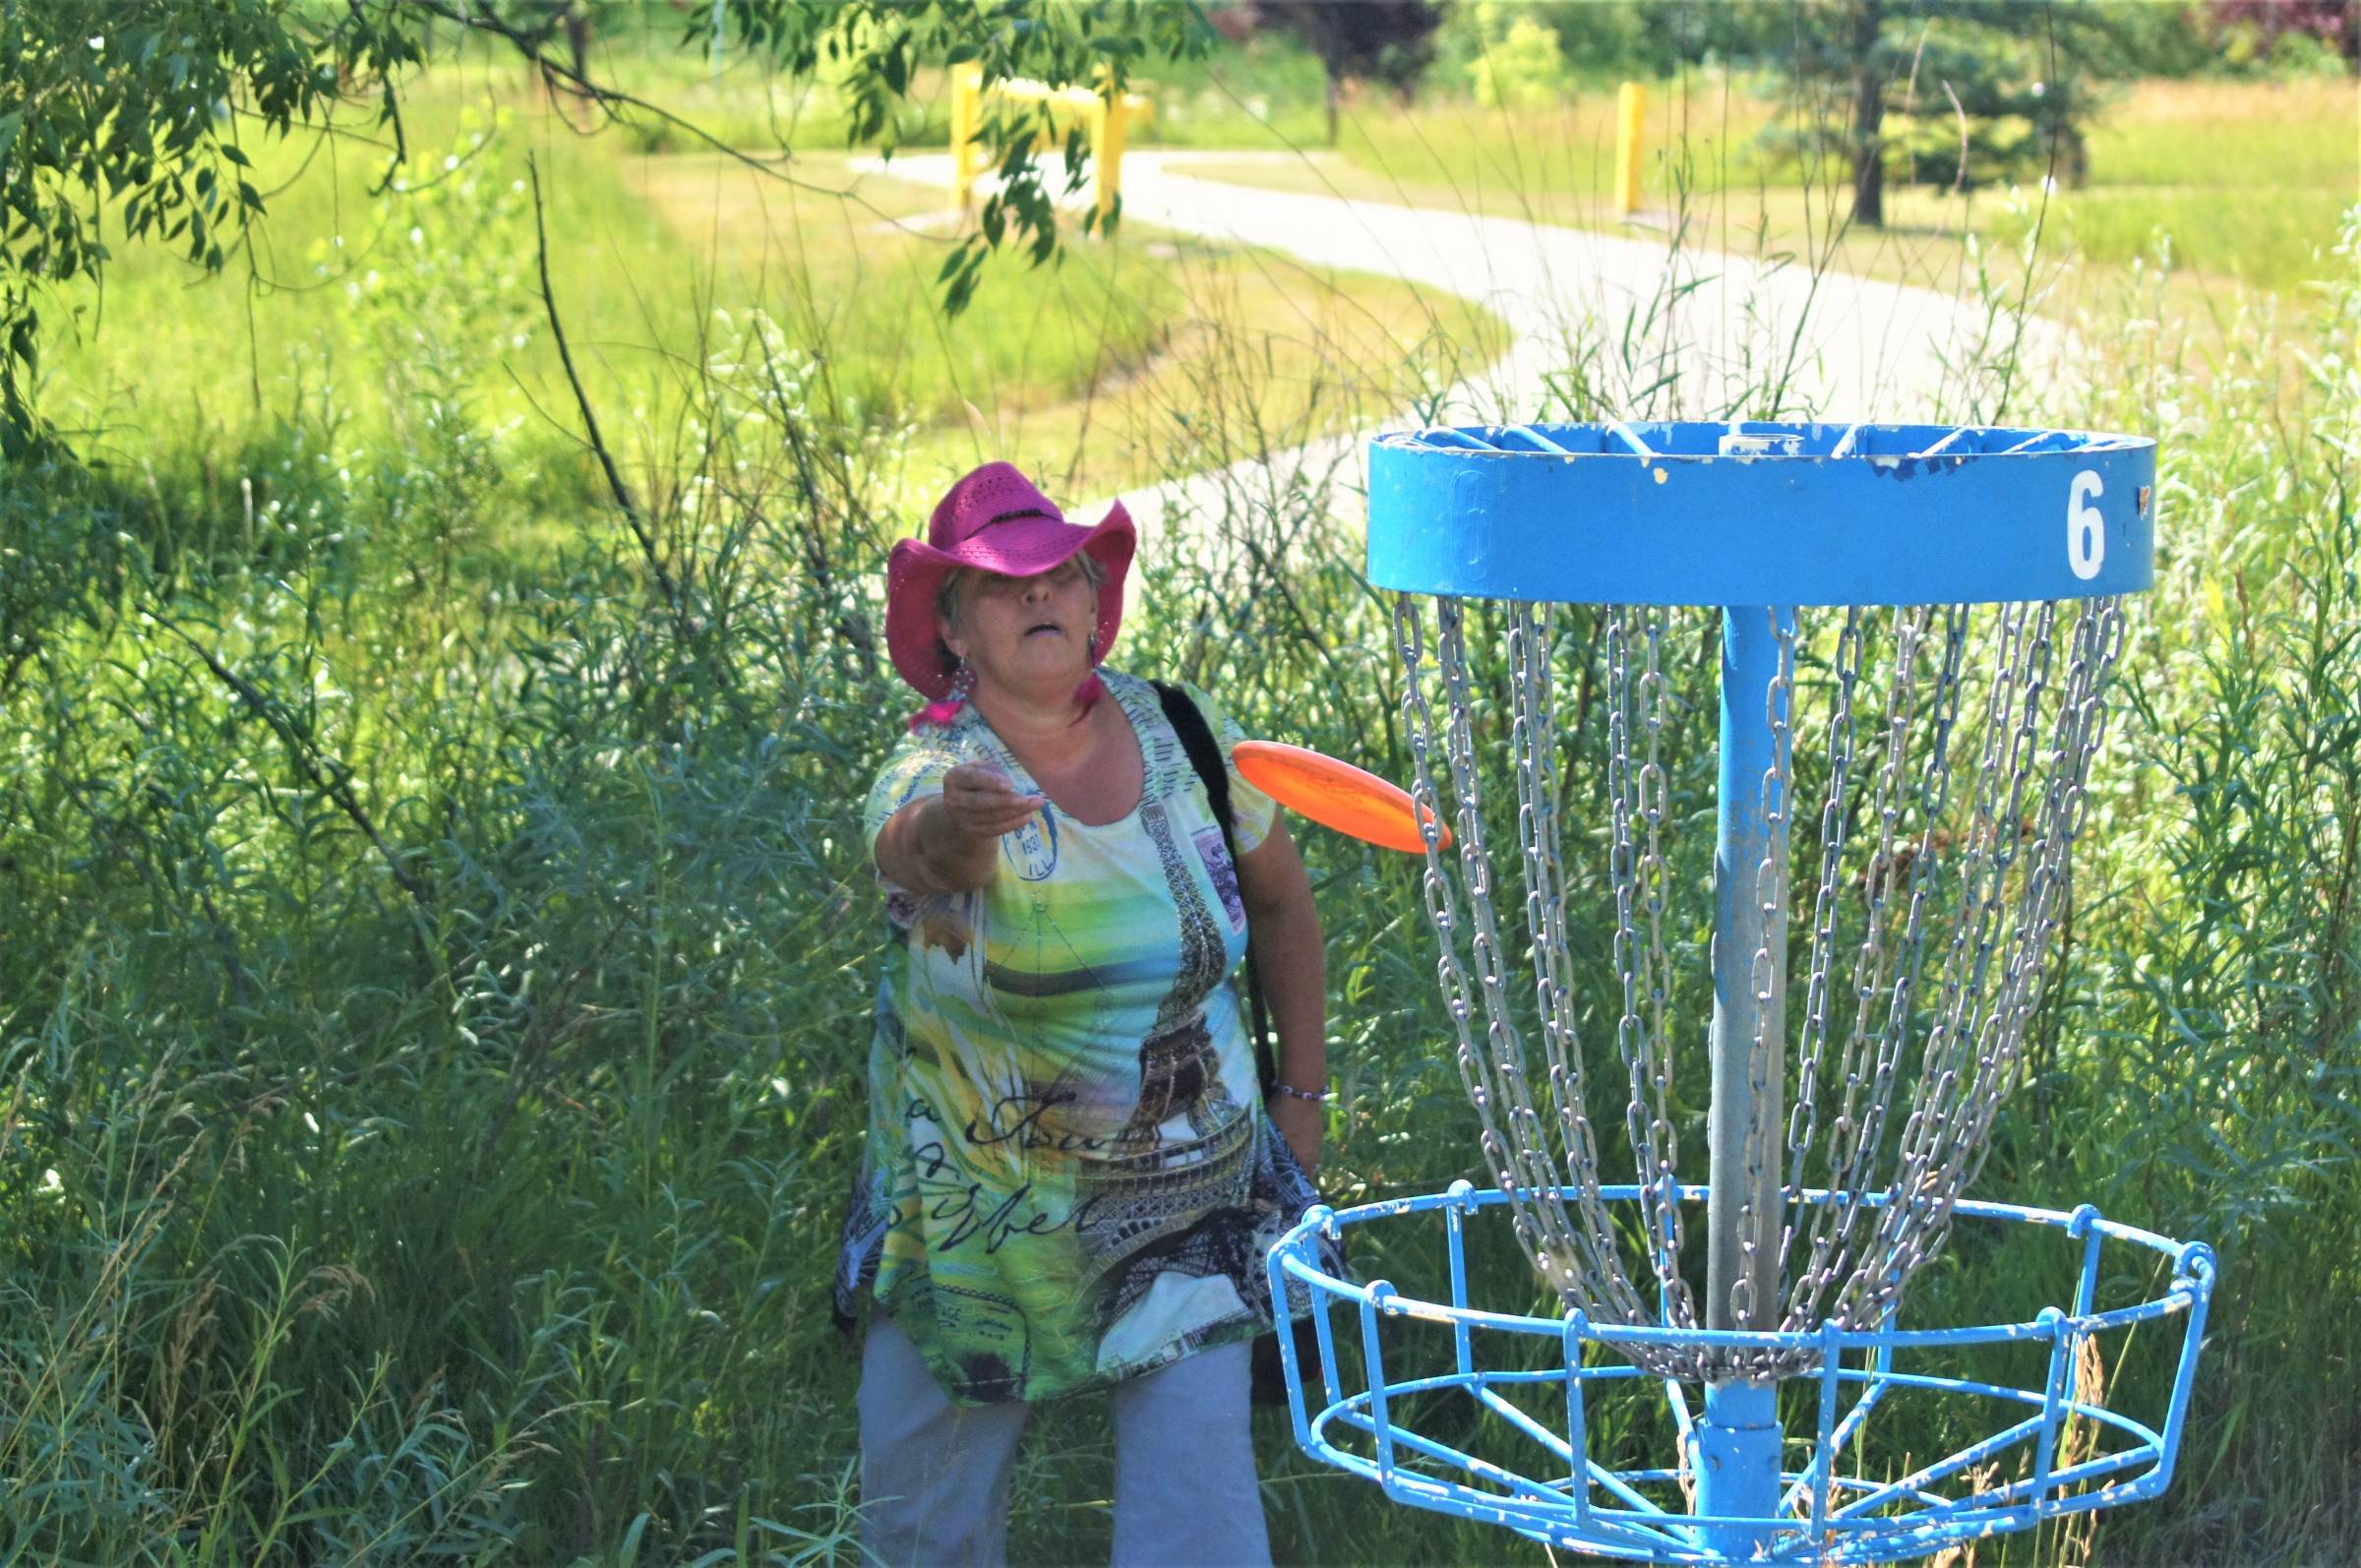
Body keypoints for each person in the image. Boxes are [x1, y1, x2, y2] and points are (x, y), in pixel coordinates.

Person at [833, 461, 1329, 1567]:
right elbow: (913, 850)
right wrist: (962, 829)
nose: (1039, 595)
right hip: (971, 1224)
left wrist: (1302, 1098)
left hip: (1189, 1204)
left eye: (1059, 573)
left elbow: (1284, 903)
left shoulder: (1185, 735)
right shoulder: (935, 764)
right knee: (925, 1535)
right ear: (955, 627)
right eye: (1004, 584)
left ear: (1096, 603)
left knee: (1198, 1535)